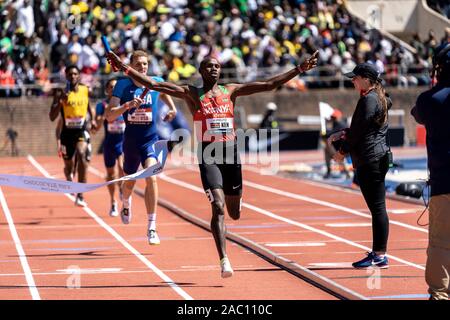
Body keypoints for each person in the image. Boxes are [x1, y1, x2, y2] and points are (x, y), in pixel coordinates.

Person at [106, 49, 319, 277]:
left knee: (233, 212)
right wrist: (125, 68)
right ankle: (224, 260)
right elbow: (155, 85)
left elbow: (268, 84)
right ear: (200, 71)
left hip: (230, 154)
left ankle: (236, 199)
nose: (213, 69)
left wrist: (299, 69)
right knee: (217, 206)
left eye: (217, 66)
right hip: (208, 154)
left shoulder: (231, 90)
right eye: (208, 66)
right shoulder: (192, 93)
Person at [105, 50, 177, 246]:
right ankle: (126, 203)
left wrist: (172, 108)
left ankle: (152, 227)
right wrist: (126, 106)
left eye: (145, 64)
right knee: (128, 184)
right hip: (130, 142)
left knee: (152, 177)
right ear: (131, 66)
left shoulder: (155, 81)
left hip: (149, 140)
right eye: (138, 65)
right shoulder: (122, 85)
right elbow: (109, 115)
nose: (142, 67)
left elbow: (164, 92)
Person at [330, 62, 392, 269]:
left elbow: (358, 133)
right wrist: (344, 133)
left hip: (370, 159)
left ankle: (379, 255)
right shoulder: (379, 97)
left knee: (378, 208)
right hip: (378, 157)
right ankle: (379, 254)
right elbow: (363, 128)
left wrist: (341, 152)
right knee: (378, 208)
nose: (353, 81)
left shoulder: (369, 100)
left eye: (355, 78)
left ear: (366, 78)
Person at [411, 42, 450, 300]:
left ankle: (440, 294)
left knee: (440, 244)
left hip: (444, 182)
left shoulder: (430, 100)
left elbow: (417, 113)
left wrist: (435, 84)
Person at [49, 65, 97, 207]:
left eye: (75, 74)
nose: (73, 77)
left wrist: (93, 119)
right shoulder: (60, 93)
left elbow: (89, 107)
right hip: (66, 133)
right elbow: (52, 117)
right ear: (66, 76)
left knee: (82, 155)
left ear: (79, 76)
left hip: (81, 130)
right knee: (69, 166)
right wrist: (60, 102)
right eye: (70, 74)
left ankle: (80, 194)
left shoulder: (85, 90)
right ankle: (69, 175)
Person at [94, 78, 124, 217]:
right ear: (107, 90)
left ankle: (123, 191)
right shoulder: (102, 105)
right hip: (109, 143)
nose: (113, 89)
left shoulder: (124, 103)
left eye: (115, 87)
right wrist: (100, 119)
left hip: (123, 142)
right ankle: (113, 202)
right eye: (111, 87)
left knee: (123, 168)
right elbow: (98, 125)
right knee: (111, 175)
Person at [323, 109, 350, 179]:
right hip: (338, 148)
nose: (332, 119)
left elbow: (330, 134)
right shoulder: (335, 124)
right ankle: (329, 171)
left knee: (329, 148)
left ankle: (346, 172)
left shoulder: (341, 125)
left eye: (333, 117)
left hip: (344, 149)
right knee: (327, 149)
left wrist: (324, 127)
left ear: (337, 117)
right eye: (332, 117)